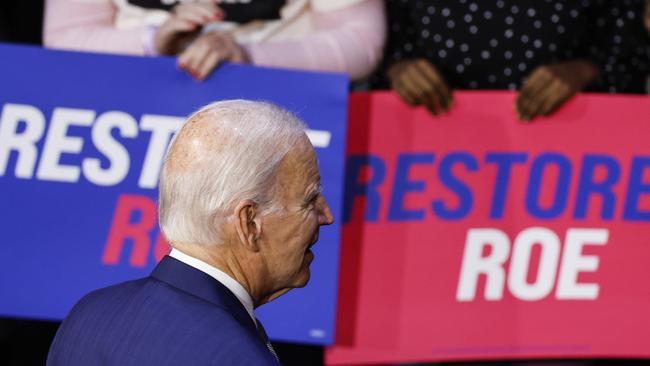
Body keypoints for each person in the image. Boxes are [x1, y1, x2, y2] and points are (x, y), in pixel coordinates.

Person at [46, 100, 335, 365]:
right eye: (309, 200)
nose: (327, 216)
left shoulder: (90, 314)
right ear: (250, 224)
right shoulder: (237, 357)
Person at [379, 0, 650, 121]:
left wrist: (583, 71)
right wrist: (399, 70)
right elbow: (380, 49)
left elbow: (631, 56)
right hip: (427, 163)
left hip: (564, 166)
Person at [43, 0, 385, 81]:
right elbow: (62, 39)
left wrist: (248, 57)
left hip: (274, 107)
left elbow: (362, 43)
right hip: (128, 101)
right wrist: (154, 44)